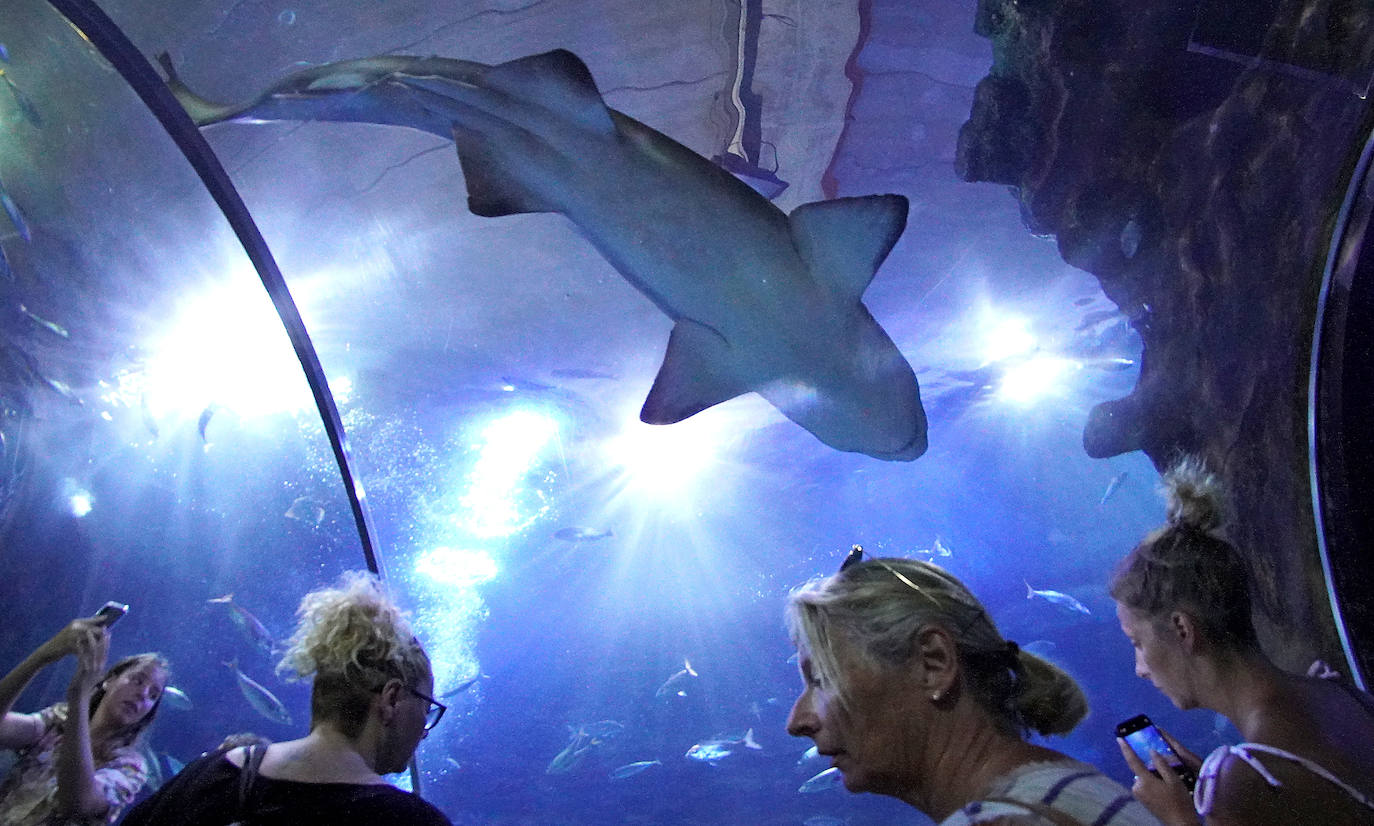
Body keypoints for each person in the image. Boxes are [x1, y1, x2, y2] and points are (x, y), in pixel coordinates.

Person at [786, 547, 1162, 826]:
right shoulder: (1069, 789)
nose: (797, 721)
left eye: (822, 679)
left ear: (933, 663)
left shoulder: (1002, 821)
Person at [1110, 458, 1374, 825]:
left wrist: (1182, 817)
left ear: (1183, 629)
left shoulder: (1244, 783)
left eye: (1137, 643)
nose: (1140, 669)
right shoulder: (1333, 691)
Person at [121, 571, 451, 825]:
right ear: (392, 699)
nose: (424, 730)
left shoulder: (208, 775)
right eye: (425, 708)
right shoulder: (410, 820)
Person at [0, 615, 169, 825]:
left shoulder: (130, 767)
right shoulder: (59, 720)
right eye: (137, 680)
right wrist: (43, 656)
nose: (143, 694)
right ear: (109, 680)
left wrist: (79, 695)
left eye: (153, 695)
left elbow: (78, 802)